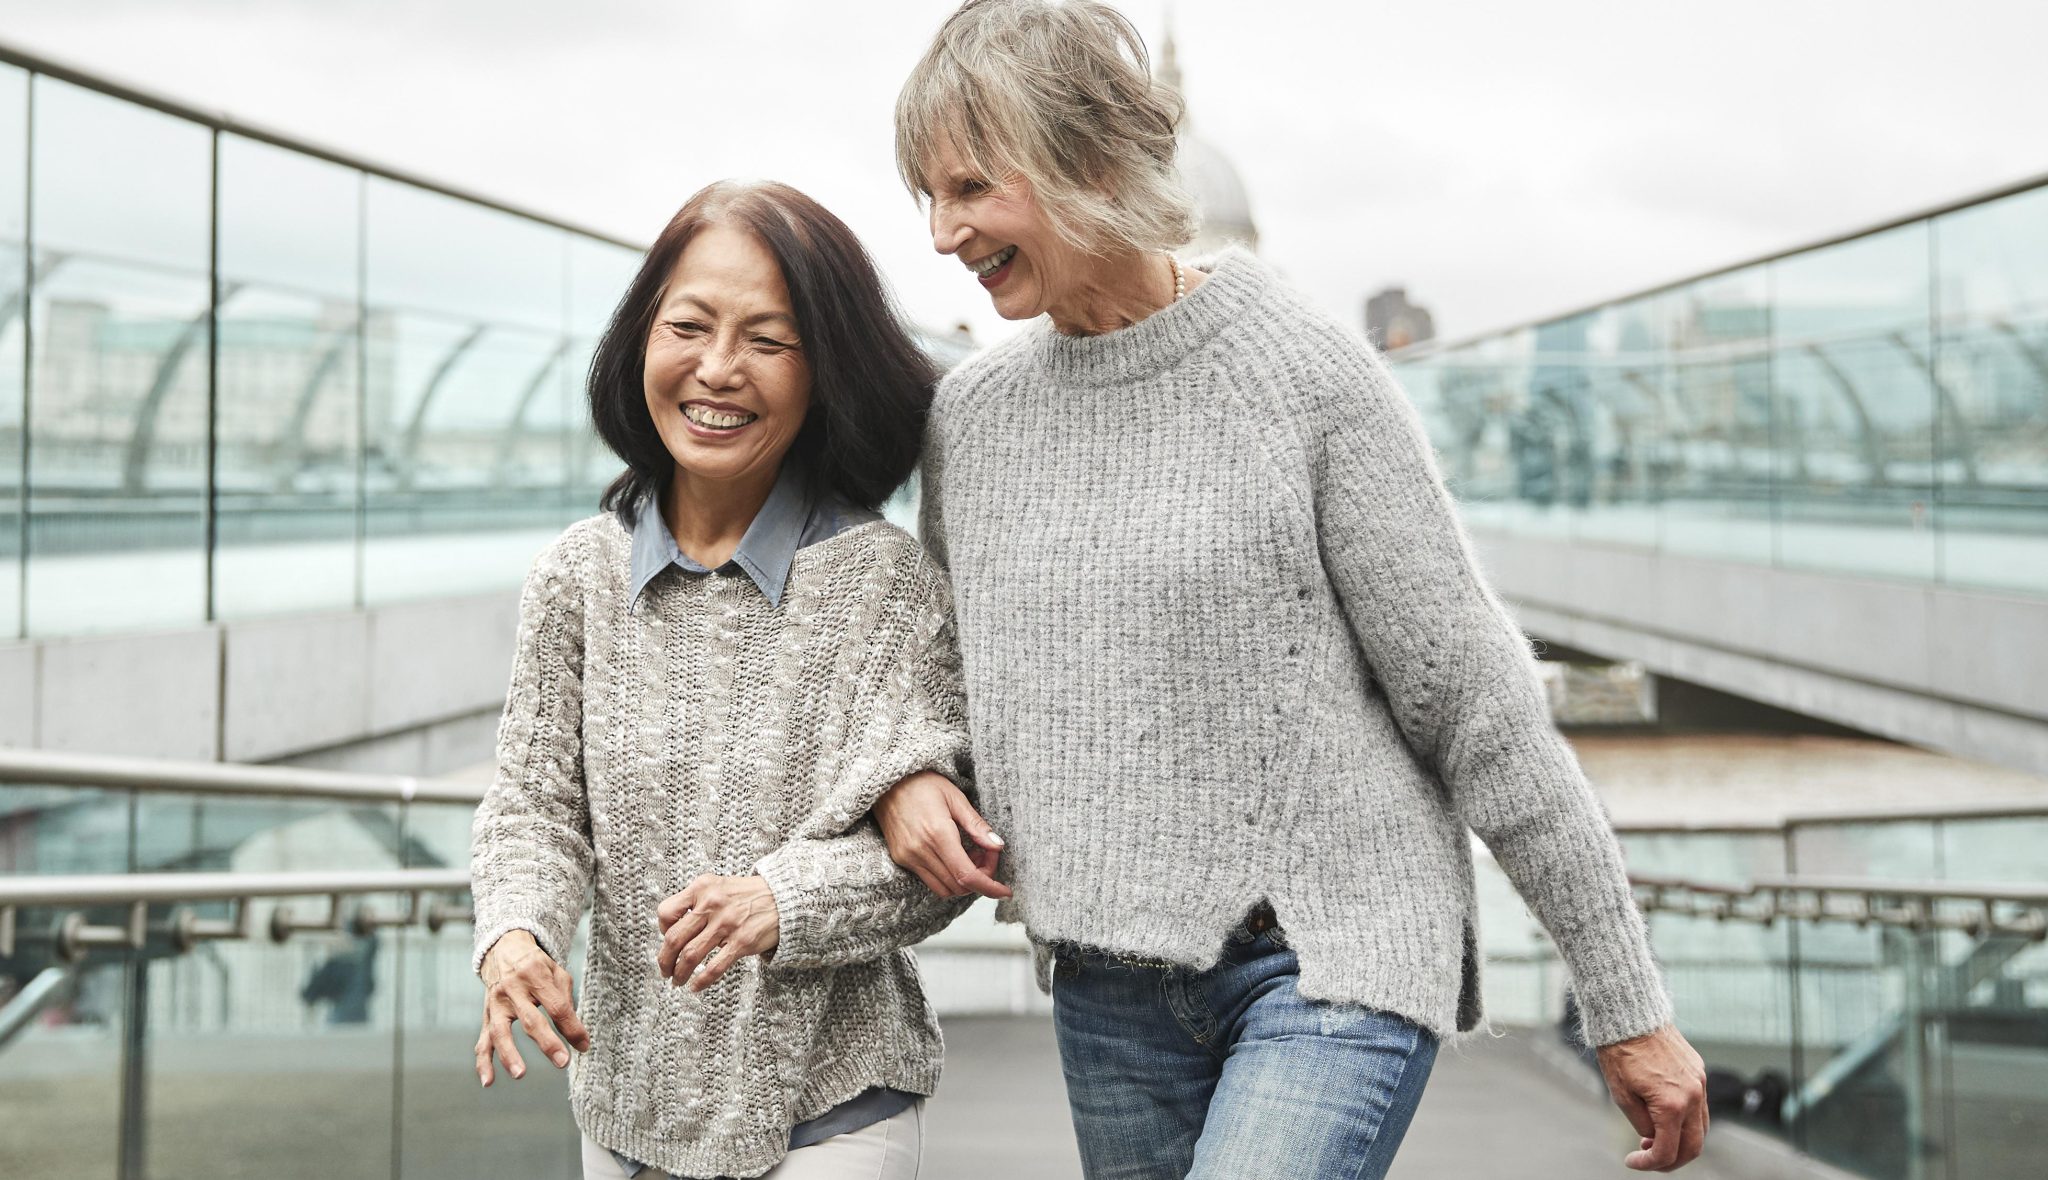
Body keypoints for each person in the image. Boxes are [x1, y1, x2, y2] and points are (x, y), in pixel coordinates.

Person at [876, 2, 1710, 1177]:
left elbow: (1472, 698)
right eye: (927, 195)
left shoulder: (1304, 374)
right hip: (1105, 989)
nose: (941, 231)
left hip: (1325, 956)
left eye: (967, 188)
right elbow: (943, 676)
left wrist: (1622, 998)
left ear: (1084, 156)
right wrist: (908, 770)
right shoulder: (970, 419)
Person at [468, 179, 975, 1180]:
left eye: (768, 341)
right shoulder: (576, 575)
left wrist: (781, 900)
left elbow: (943, 860)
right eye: (688, 327)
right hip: (620, 1113)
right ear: (638, 344)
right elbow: (533, 806)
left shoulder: (886, 587)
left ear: (825, 370)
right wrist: (516, 933)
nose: (716, 369)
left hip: (833, 1110)